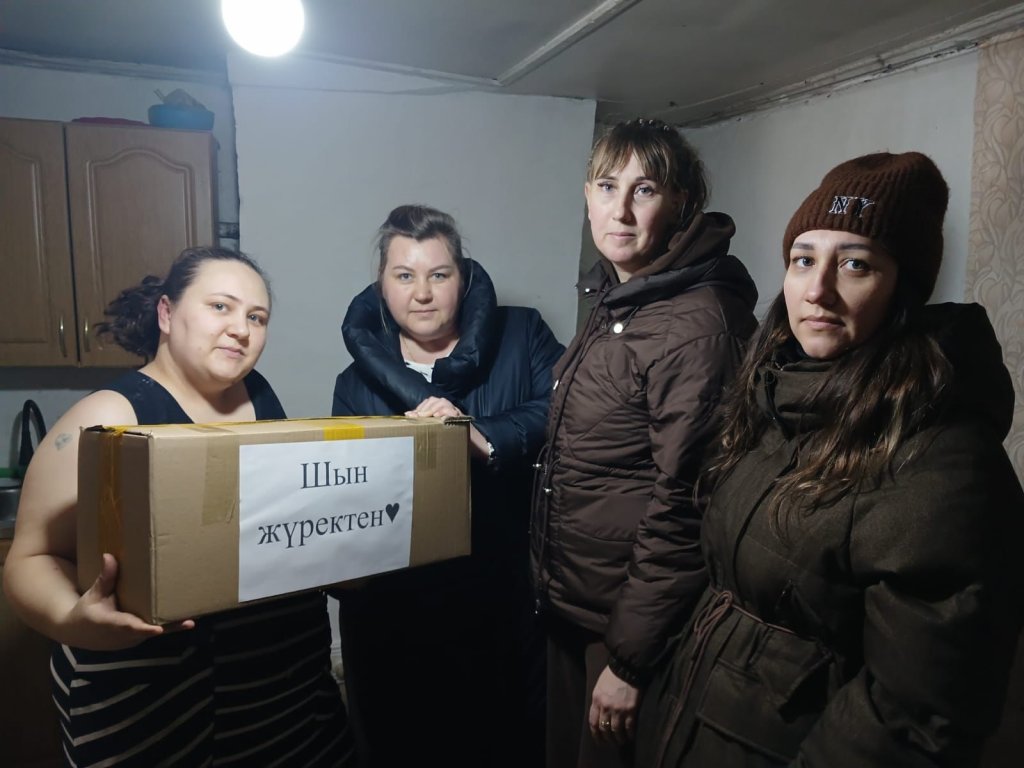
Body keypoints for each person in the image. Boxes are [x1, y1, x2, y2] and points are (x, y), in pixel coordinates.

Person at [637, 151, 1024, 767]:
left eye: (855, 264)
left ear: (902, 287)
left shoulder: (944, 463)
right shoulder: (777, 399)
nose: (817, 290)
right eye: (803, 260)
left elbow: (912, 721)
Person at [3, 247, 355, 767]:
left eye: (257, 317)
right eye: (220, 306)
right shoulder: (106, 417)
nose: (241, 329)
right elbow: (30, 558)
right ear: (166, 314)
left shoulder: (259, 396)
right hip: (159, 698)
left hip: (284, 689)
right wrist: (73, 620)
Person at [530, 117, 759, 768]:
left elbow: (687, 502)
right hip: (582, 607)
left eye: (645, 190)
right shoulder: (619, 298)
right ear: (587, 195)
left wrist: (629, 661)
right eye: (608, 186)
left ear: (680, 203)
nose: (621, 210)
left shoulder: (695, 324)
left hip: (627, 630)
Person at [331, 204, 565, 768]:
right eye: (404, 275)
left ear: (463, 277)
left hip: (503, 599)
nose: (422, 294)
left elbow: (569, 407)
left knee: (506, 741)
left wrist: (479, 437)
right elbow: (345, 494)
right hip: (395, 613)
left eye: (439, 274)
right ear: (381, 285)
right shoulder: (353, 383)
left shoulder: (523, 333)